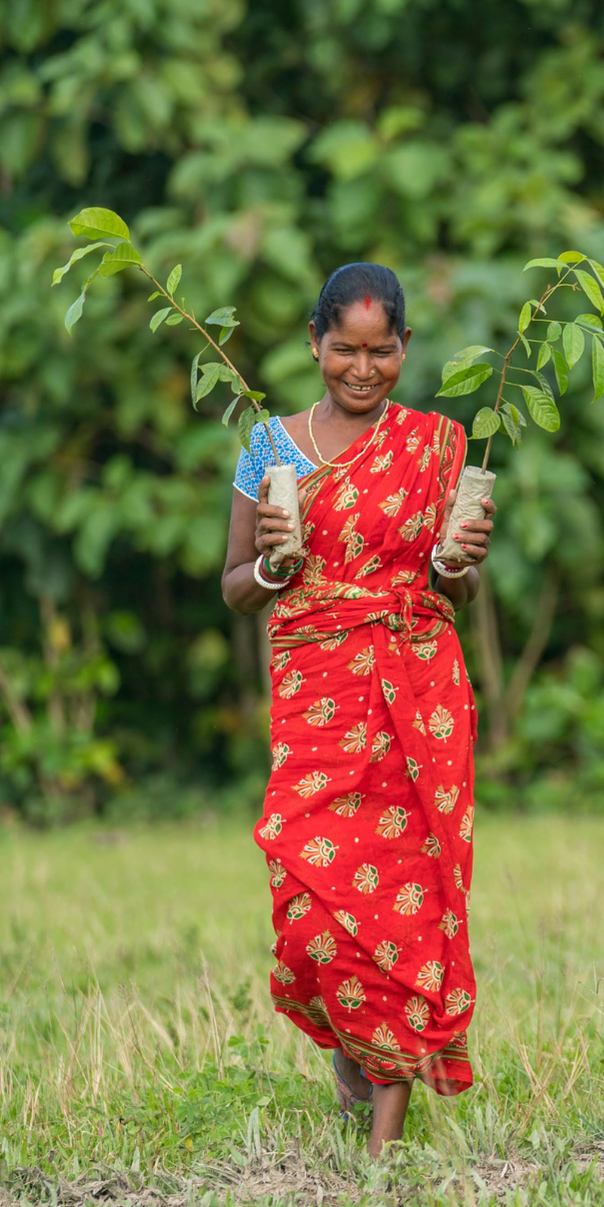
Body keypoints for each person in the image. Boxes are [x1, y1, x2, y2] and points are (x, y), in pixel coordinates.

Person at [221, 262, 496, 1160]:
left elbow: (451, 585)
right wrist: (270, 562)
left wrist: (462, 560)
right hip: (316, 692)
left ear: (406, 349)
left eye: (382, 351)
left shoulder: (439, 446)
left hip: (415, 693)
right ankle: (351, 1054)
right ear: (315, 343)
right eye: (345, 349)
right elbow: (233, 588)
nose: (363, 369)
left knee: (399, 901)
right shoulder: (271, 448)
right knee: (306, 910)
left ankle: (382, 1142)